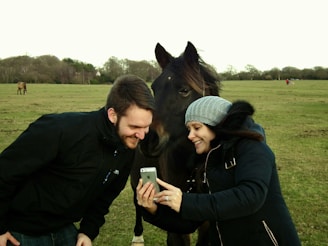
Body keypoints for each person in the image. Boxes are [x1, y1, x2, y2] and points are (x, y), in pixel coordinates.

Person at [0, 75, 155, 246]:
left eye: (146, 126)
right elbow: (4, 172)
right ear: (113, 115)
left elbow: (105, 197)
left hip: (64, 228)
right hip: (20, 231)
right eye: (135, 127)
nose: (141, 135)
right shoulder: (59, 130)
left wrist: (88, 231)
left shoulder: (126, 147)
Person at [137, 96, 301, 245]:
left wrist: (184, 201)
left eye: (196, 127)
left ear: (216, 125)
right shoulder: (205, 162)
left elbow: (251, 195)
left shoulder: (253, 148)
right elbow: (190, 220)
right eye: (189, 129)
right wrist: (154, 209)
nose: (190, 135)